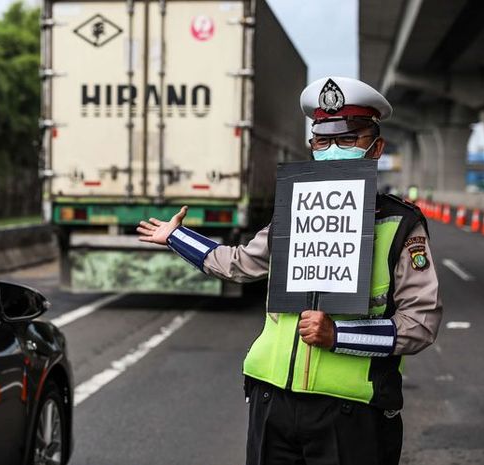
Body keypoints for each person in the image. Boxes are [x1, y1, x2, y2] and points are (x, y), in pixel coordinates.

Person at [136, 76, 442, 465]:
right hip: (271, 401)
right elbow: (240, 263)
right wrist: (177, 237)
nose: (332, 150)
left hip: (350, 415)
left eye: (348, 140)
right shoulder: (294, 213)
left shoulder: (399, 225)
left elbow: (421, 323)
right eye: (322, 140)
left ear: (376, 147)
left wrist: (339, 335)